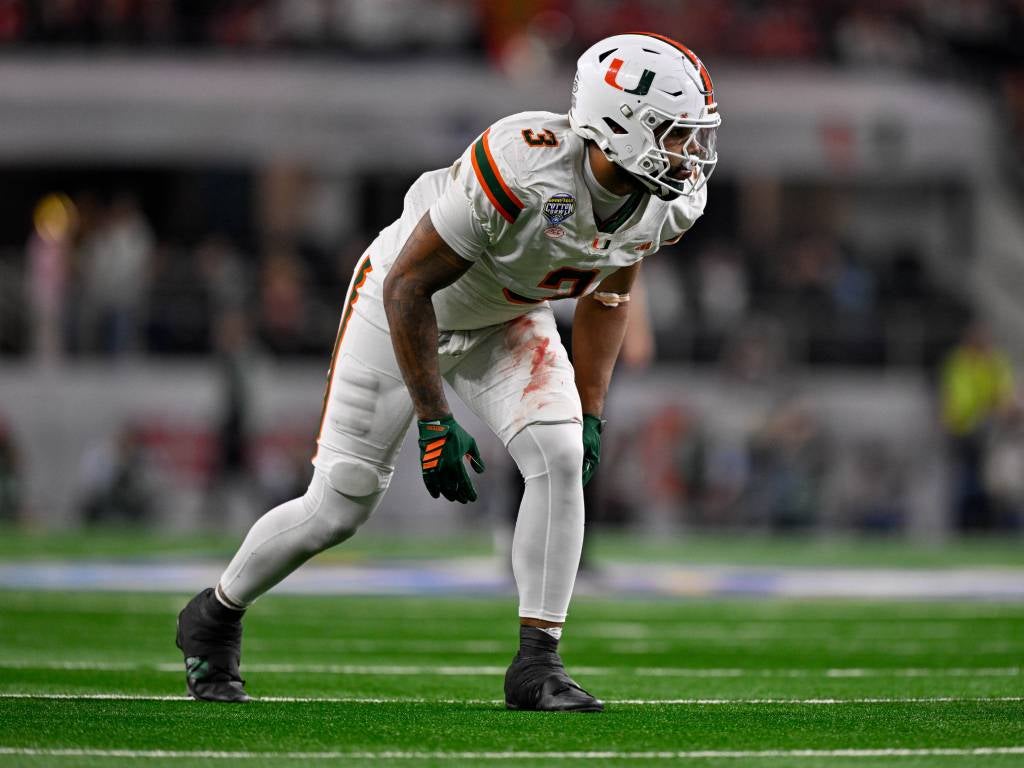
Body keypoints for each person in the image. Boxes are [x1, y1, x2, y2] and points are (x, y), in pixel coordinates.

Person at [175, 32, 720, 711]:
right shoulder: (522, 166)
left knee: (557, 450)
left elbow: (611, 286)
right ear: (617, 124)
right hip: (405, 301)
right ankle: (216, 614)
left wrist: (592, 409)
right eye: (672, 133)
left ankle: (538, 662)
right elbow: (408, 286)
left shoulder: (669, 203)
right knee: (340, 502)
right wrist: (436, 419)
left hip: (509, 314)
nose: (687, 152)